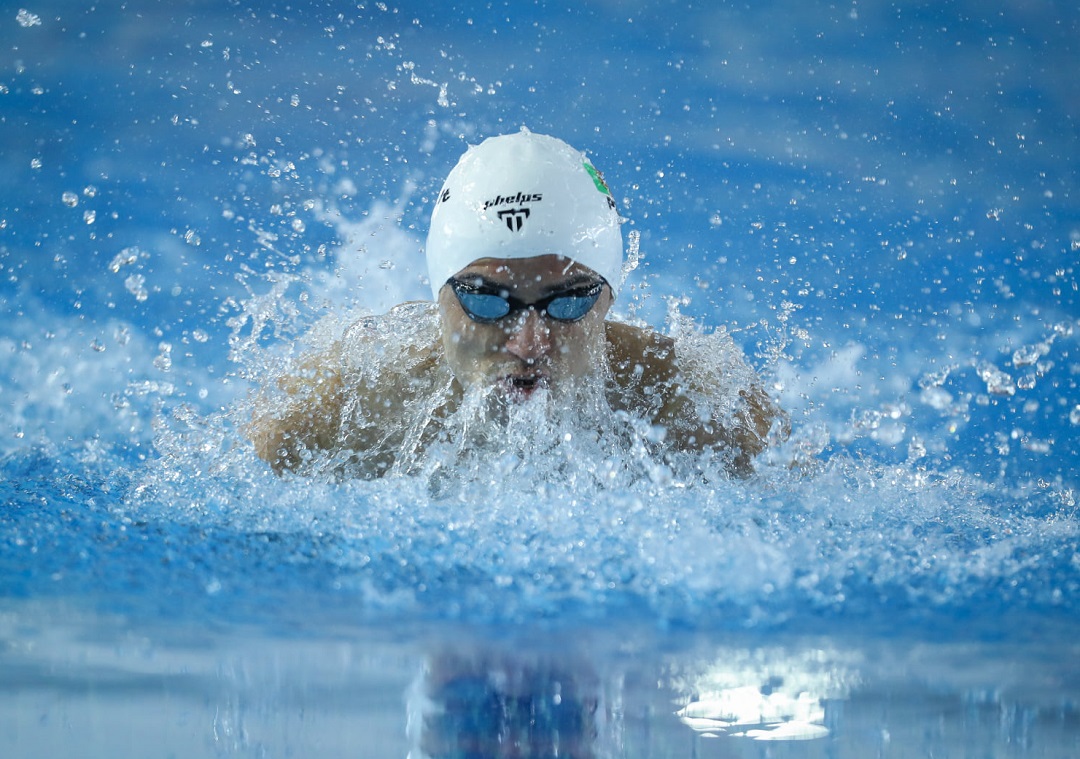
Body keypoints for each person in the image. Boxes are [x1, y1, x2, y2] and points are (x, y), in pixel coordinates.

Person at [247, 129, 785, 479]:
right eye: (486, 303)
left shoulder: (699, 411)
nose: (529, 344)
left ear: (609, 300)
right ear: (440, 294)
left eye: (568, 304)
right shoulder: (345, 413)